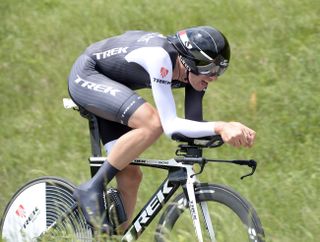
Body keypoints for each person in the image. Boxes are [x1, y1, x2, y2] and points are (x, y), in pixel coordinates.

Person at [67, 26, 256, 231]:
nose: (214, 77)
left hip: (115, 89)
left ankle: (111, 237)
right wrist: (221, 126)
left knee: (131, 177)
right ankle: (91, 188)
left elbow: (190, 130)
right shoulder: (160, 56)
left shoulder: (195, 76)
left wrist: (224, 132)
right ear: (190, 61)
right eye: (210, 70)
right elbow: (170, 126)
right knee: (152, 123)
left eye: (219, 71)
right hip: (88, 74)